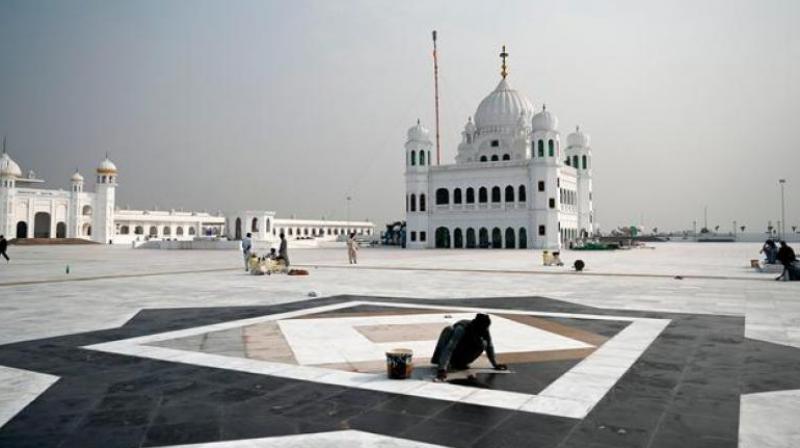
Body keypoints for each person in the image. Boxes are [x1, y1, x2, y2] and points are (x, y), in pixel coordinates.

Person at [430, 313, 507, 381]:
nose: (484, 330)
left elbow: (489, 346)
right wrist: (442, 369)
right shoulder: (461, 328)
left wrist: (495, 364)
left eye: (486, 328)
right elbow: (450, 348)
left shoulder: (484, 330)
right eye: (482, 328)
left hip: (463, 354)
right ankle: (440, 361)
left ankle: (460, 363)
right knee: (448, 329)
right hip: (454, 352)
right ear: (476, 325)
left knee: (484, 343)